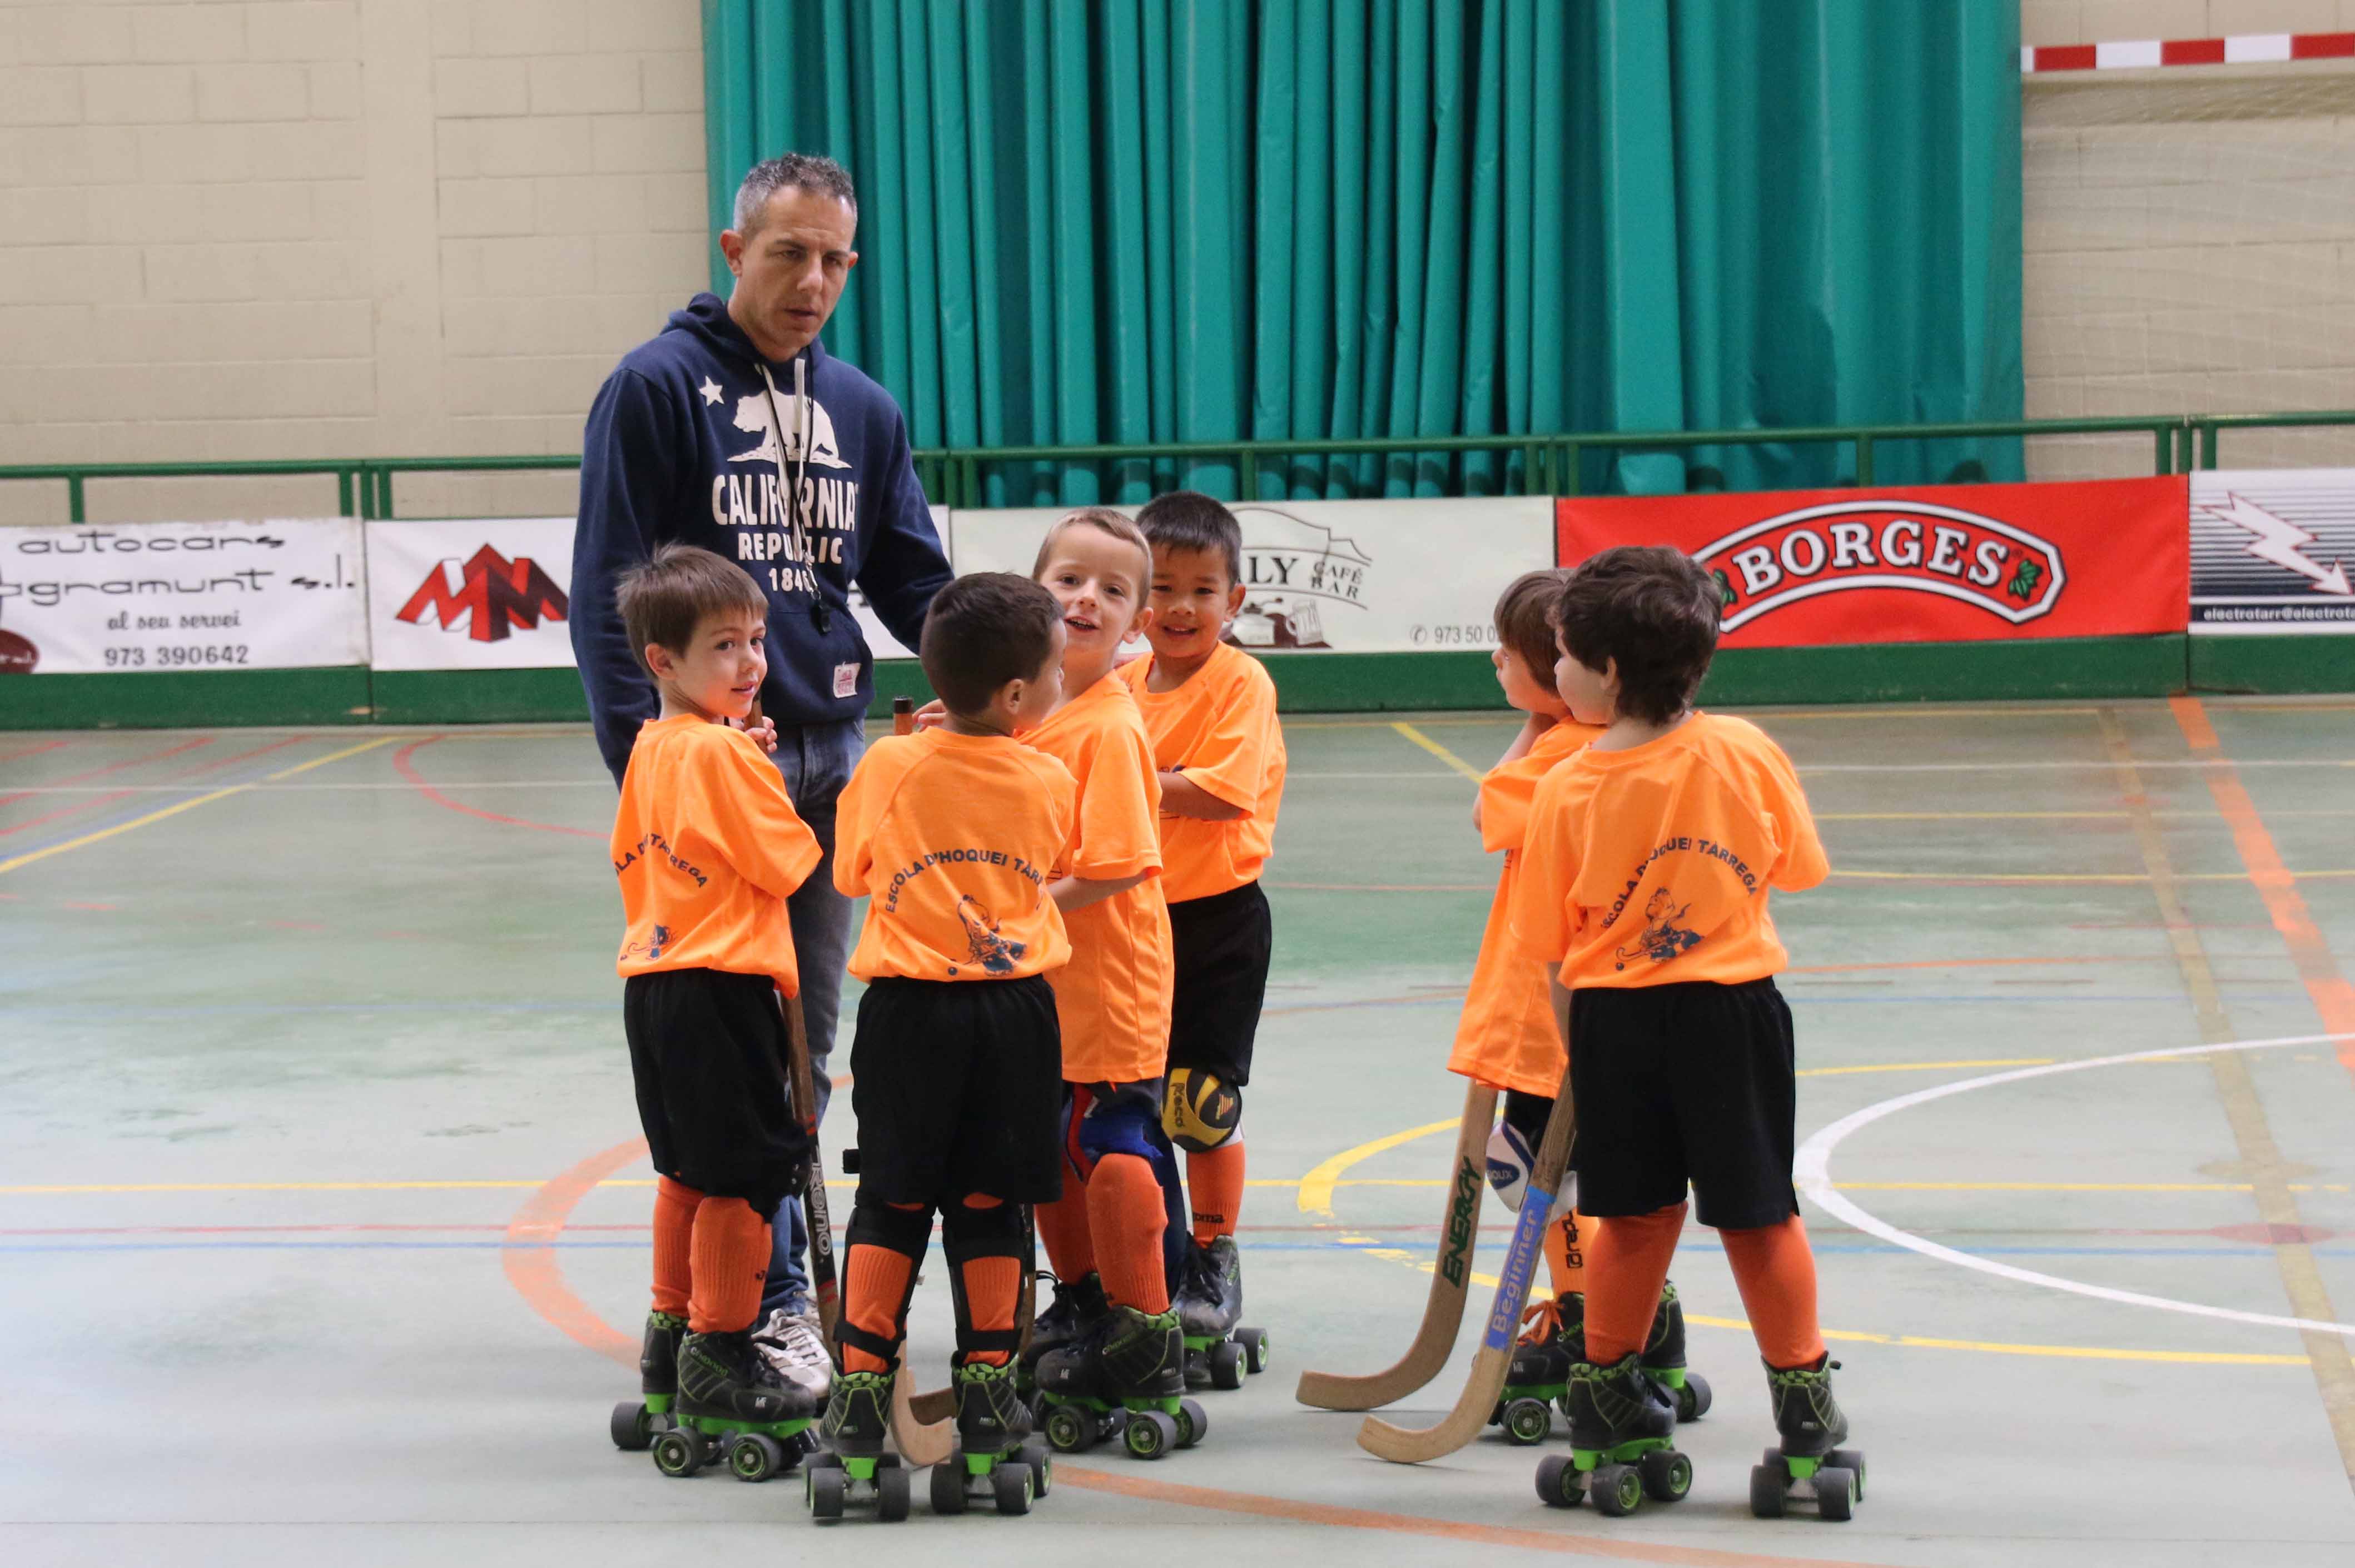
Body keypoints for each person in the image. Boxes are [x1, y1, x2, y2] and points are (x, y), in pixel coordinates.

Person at [572, 152, 952, 1399]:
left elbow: (907, 575)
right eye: (789, 252)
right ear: (732, 252)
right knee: (726, 1050)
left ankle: (730, 1297)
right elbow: (609, 584)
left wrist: (993, 666)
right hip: (707, 766)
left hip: (828, 754)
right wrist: (649, 756)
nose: (814, 279)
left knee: (804, 1038)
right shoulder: (654, 389)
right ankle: (757, 1308)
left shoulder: (862, 406)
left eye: (837, 258)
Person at [1508, 546, 1850, 1505]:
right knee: (1758, 1210)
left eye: (1567, 655)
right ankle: (1804, 1400)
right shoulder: (1743, 750)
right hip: (1734, 1015)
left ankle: (1606, 1398)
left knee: (1632, 1214)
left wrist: (1580, 1045)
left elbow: (1546, 940)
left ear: (1608, 672)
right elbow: (1802, 866)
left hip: (1615, 1022)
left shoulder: (1568, 788)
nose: (1559, 671)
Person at [820, 573, 1075, 1501]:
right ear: (1015, 696)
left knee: (890, 1197)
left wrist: (908, 767)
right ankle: (986, 1401)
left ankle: (857, 1402)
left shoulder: (890, 765)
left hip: (907, 1014)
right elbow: (1053, 860)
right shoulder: (1049, 772)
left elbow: (851, 873)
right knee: (990, 1201)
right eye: (1051, 672)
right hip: (1014, 1015)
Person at [607, 544, 824, 1439]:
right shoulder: (726, 758)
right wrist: (759, 774)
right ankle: (723, 1346)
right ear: (664, 661)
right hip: (722, 986)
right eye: (726, 647)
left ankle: (671, 1336)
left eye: (756, 641)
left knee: (688, 1176)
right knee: (742, 1180)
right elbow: (795, 859)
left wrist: (737, 754)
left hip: (655, 981)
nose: (751, 664)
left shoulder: (653, 746)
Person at [1014, 510, 1192, 1430]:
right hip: (1046, 984)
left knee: (1112, 1144)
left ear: (1135, 623)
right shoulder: (1033, 715)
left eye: (1114, 590)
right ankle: (1083, 1300)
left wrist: (1014, 908)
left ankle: (1145, 1328)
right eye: (1070, 579)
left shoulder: (1110, 729)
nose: (1087, 599)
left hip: (1110, 977)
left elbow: (1117, 864)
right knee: (1055, 1148)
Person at [1118, 492, 1286, 1371]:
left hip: (1218, 920)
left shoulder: (1241, 683)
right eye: (1165, 589)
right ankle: (1157, 1259)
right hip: (1133, 920)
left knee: (1200, 1104)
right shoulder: (1114, 685)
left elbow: (1222, 791)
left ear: (1237, 598)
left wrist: (1129, 773)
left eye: (1203, 590)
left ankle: (1215, 1255)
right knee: (1133, 1104)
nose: (1182, 608)